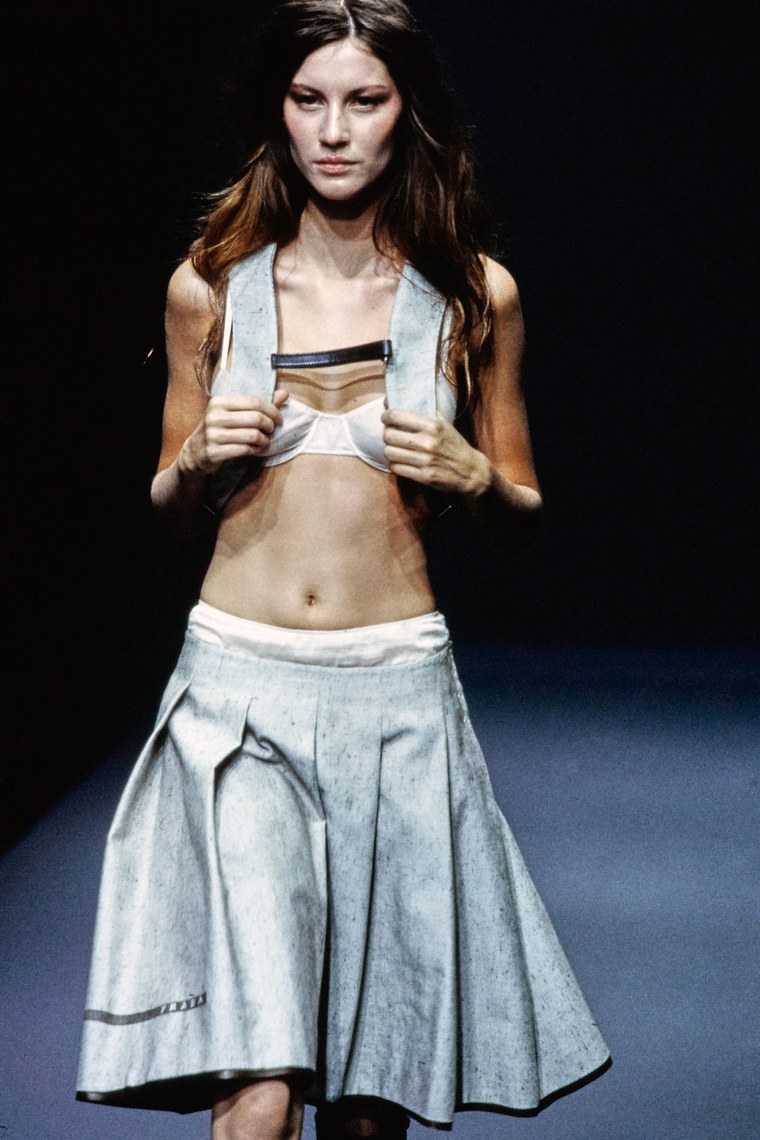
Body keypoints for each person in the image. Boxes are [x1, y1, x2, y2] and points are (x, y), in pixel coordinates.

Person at [77, 2, 610, 1137]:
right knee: (258, 1083)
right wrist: (197, 461)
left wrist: (473, 473)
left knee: (369, 1105)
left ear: (405, 112)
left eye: (363, 101)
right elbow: (168, 507)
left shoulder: (473, 296)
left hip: (394, 699)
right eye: (307, 99)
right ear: (276, 112)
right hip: (239, 694)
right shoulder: (209, 289)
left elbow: (520, 515)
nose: (333, 130)